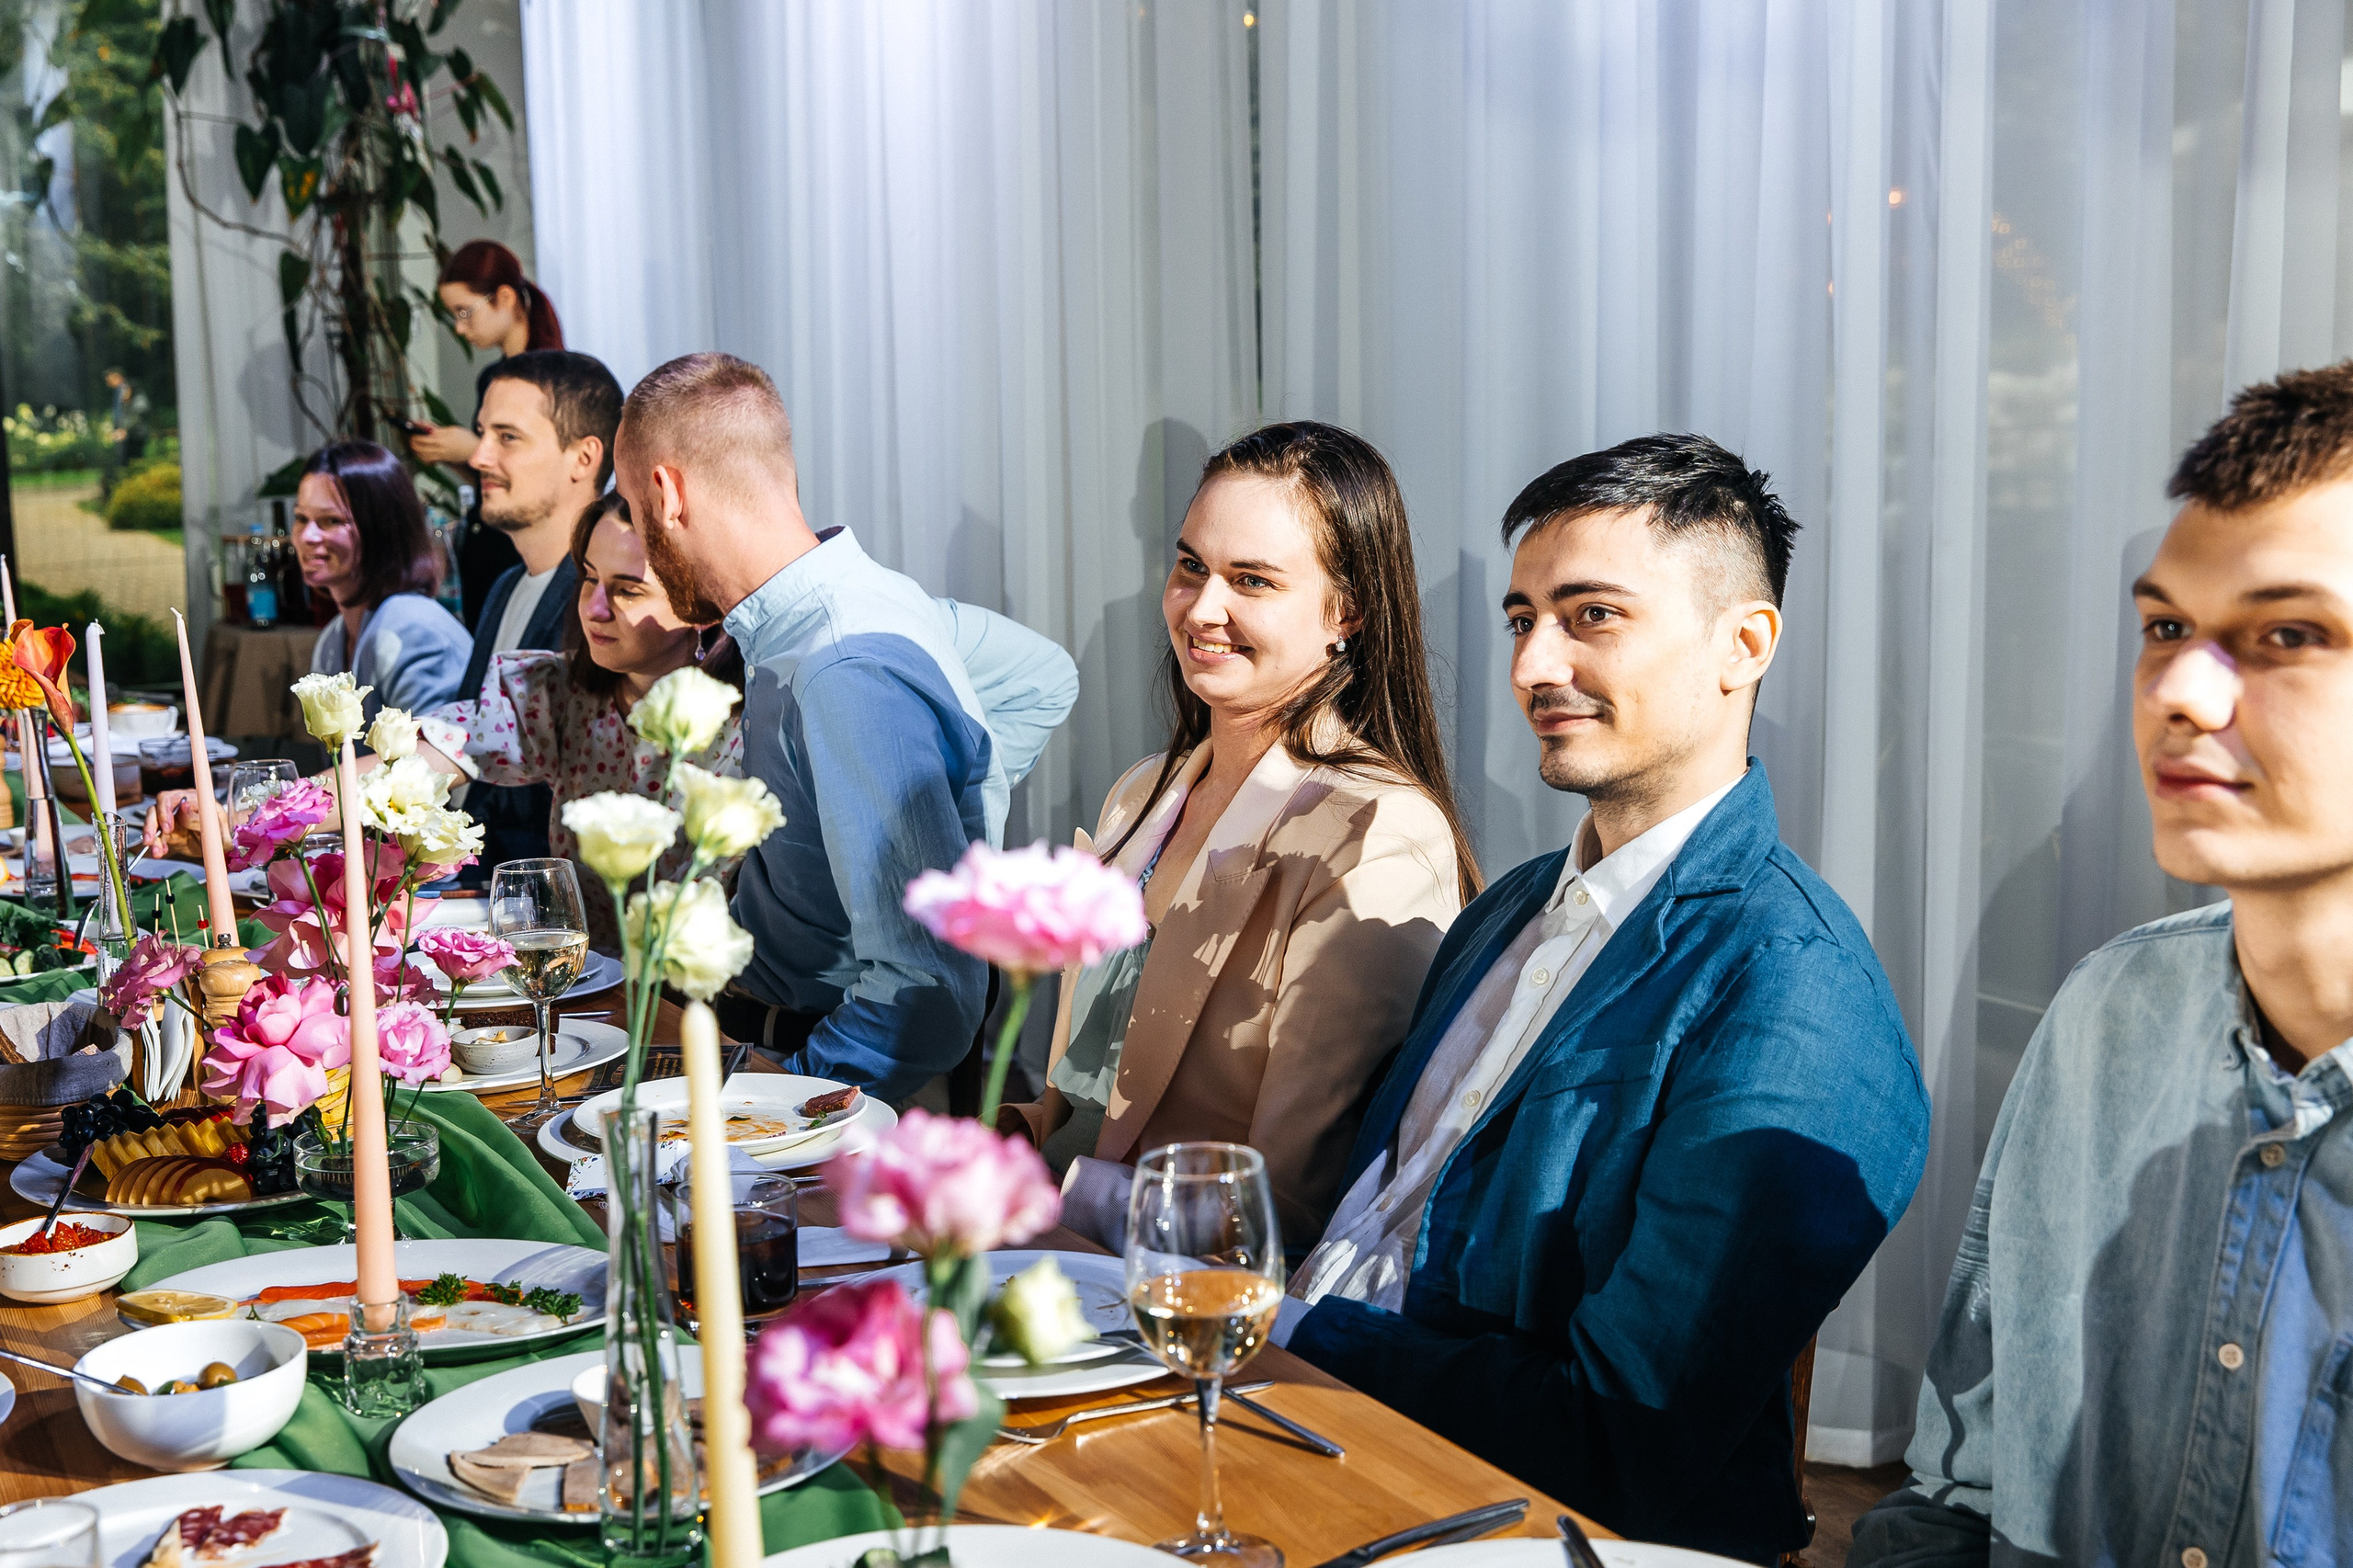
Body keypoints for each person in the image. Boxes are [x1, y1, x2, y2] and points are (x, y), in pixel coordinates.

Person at [1270, 434, 1929, 1562]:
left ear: (1744, 644)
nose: (1531, 665)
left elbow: (1619, 1433)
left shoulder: (1794, 993)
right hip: (1308, 1435)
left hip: (1504, 1523)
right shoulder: (1516, 903)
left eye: (1592, 616)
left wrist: (1285, 1329)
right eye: (1524, 618)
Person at [1851, 364, 2353, 1563]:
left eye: (2289, 633)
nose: (2178, 691)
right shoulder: (2108, 1015)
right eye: (2167, 626)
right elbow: (1958, 1498)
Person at [1001, 421, 1476, 1246]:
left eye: (1251, 581)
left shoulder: (1373, 830)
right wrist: (1008, 1142)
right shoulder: (1142, 791)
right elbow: (1086, 1097)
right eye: (1191, 566)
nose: (1202, 608)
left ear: (1349, 611)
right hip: (1047, 1256)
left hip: (1189, 1310)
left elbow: (1286, 1209)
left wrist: (1058, 1192)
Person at [613, 351, 1079, 1102]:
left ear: (666, 494)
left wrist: (785, 1102)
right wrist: (958, 815)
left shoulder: (842, 667)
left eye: (633, 512)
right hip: (750, 1016)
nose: (639, 539)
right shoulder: (863, 601)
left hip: (809, 1065)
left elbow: (928, 991)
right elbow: (1043, 675)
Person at [450, 349, 623, 874]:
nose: (479, 457)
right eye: (481, 433)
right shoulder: (507, 586)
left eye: (508, 437)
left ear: (584, 458)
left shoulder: (598, 605)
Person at [407, 240, 564, 629]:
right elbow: (490, 479)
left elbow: (550, 470)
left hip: (520, 550)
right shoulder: (491, 379)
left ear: (505, 298)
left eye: (465, 312)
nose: (460, 329)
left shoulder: (553, 377)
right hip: (489, 549)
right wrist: (455, 454)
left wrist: (471, 446)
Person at [293, 440, 472, 724]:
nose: (307, 536)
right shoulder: (331, 641)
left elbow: (433, 758)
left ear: (381, 529)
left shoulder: (414, 628)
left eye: (331, 521)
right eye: (301, 518)